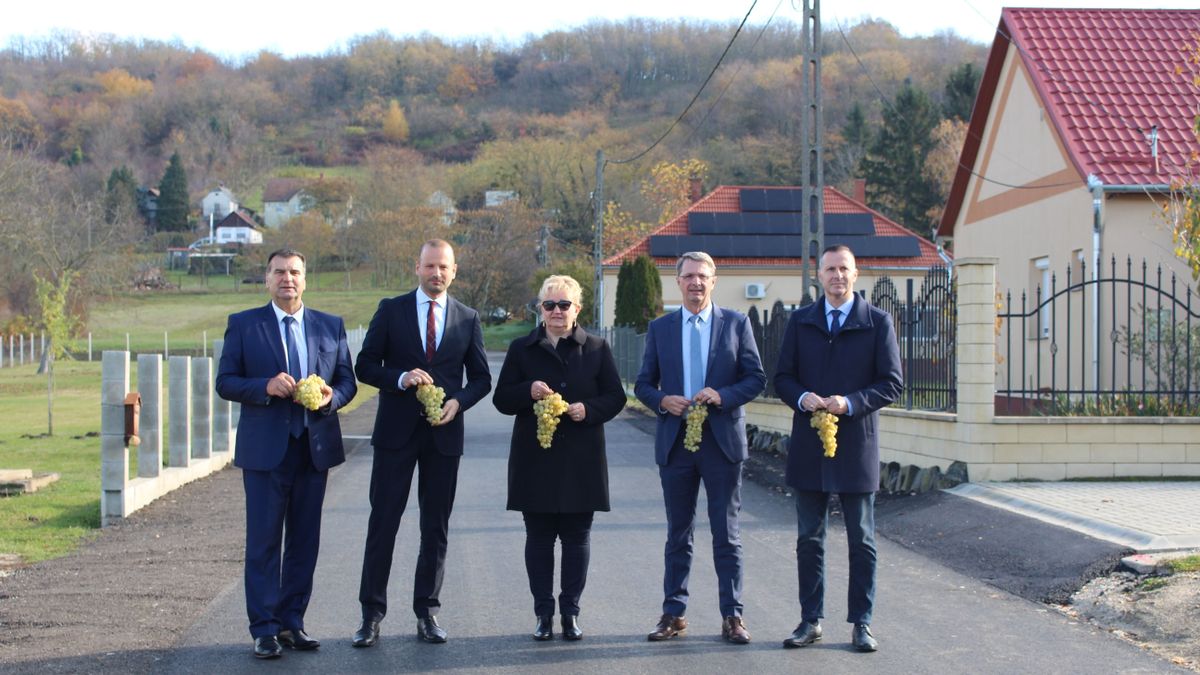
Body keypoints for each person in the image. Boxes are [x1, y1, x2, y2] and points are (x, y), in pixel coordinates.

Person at [216, 248, 358, 659]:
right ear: (266, 279)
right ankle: (263, 628)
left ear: (306, 278)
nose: (287, 279)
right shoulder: (244, 325)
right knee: (263, 542)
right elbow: (225, 381)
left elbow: (347, 381)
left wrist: (332, 398)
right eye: (279, 272)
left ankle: (291, 622)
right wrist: (263, 387)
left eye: (295, 272)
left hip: (314, 450)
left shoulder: (329, 327)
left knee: (304, 542)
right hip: (265, 452)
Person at [352, 238, 492, 647]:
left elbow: (481, 379)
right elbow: (365, 365)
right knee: (383, 524)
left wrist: (459, 403)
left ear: (454, 271)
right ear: (417, 268)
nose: (436, 274)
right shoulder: (391, 310)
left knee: (436, 527)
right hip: (396, 434)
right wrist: (399, 378)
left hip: (443, 436)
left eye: (443, 268)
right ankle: (371, 615)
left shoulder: (468, 318)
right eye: (429, 266)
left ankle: (427, 613)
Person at [773, 244, 903, 653]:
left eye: (844, 269)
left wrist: (849, 403)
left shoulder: (877, 322)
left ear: (856, 274)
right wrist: (802, 397)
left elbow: (892, 383)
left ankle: (861, 623)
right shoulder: (800, 322)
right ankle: (810, 620)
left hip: (855, 445)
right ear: (820, 274)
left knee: (861, 540)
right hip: (810, 445)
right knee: (809, 539)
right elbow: (782, 378)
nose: (837, 276)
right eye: (830, 269)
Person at [634, 251, 766, 645]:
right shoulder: (661, 328)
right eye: (688, 276)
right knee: (679, 533)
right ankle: (673, 613)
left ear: (714, 281)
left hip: (722, 443)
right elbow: (643, 383)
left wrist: (722, 395)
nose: (695, 283)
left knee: (727, 533)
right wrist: (662, 400)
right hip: (677, 443)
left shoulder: (737, 324)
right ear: (677, 282)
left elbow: (756, 378)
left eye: (702, 277)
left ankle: (733, 616)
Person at [493, 275, 626, 642]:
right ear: (540, 309)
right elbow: (502, 399)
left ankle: (570, 612)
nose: (556, 311)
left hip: (581, 457)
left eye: (563, 305)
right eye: (549, 305)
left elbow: (616, 397)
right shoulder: (522, 348)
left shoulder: (597, 348)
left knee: (577, 537)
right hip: (535, 458)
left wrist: (590, 408)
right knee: (538, 538)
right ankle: (542, 613)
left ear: (577, 309)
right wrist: (528, 390)